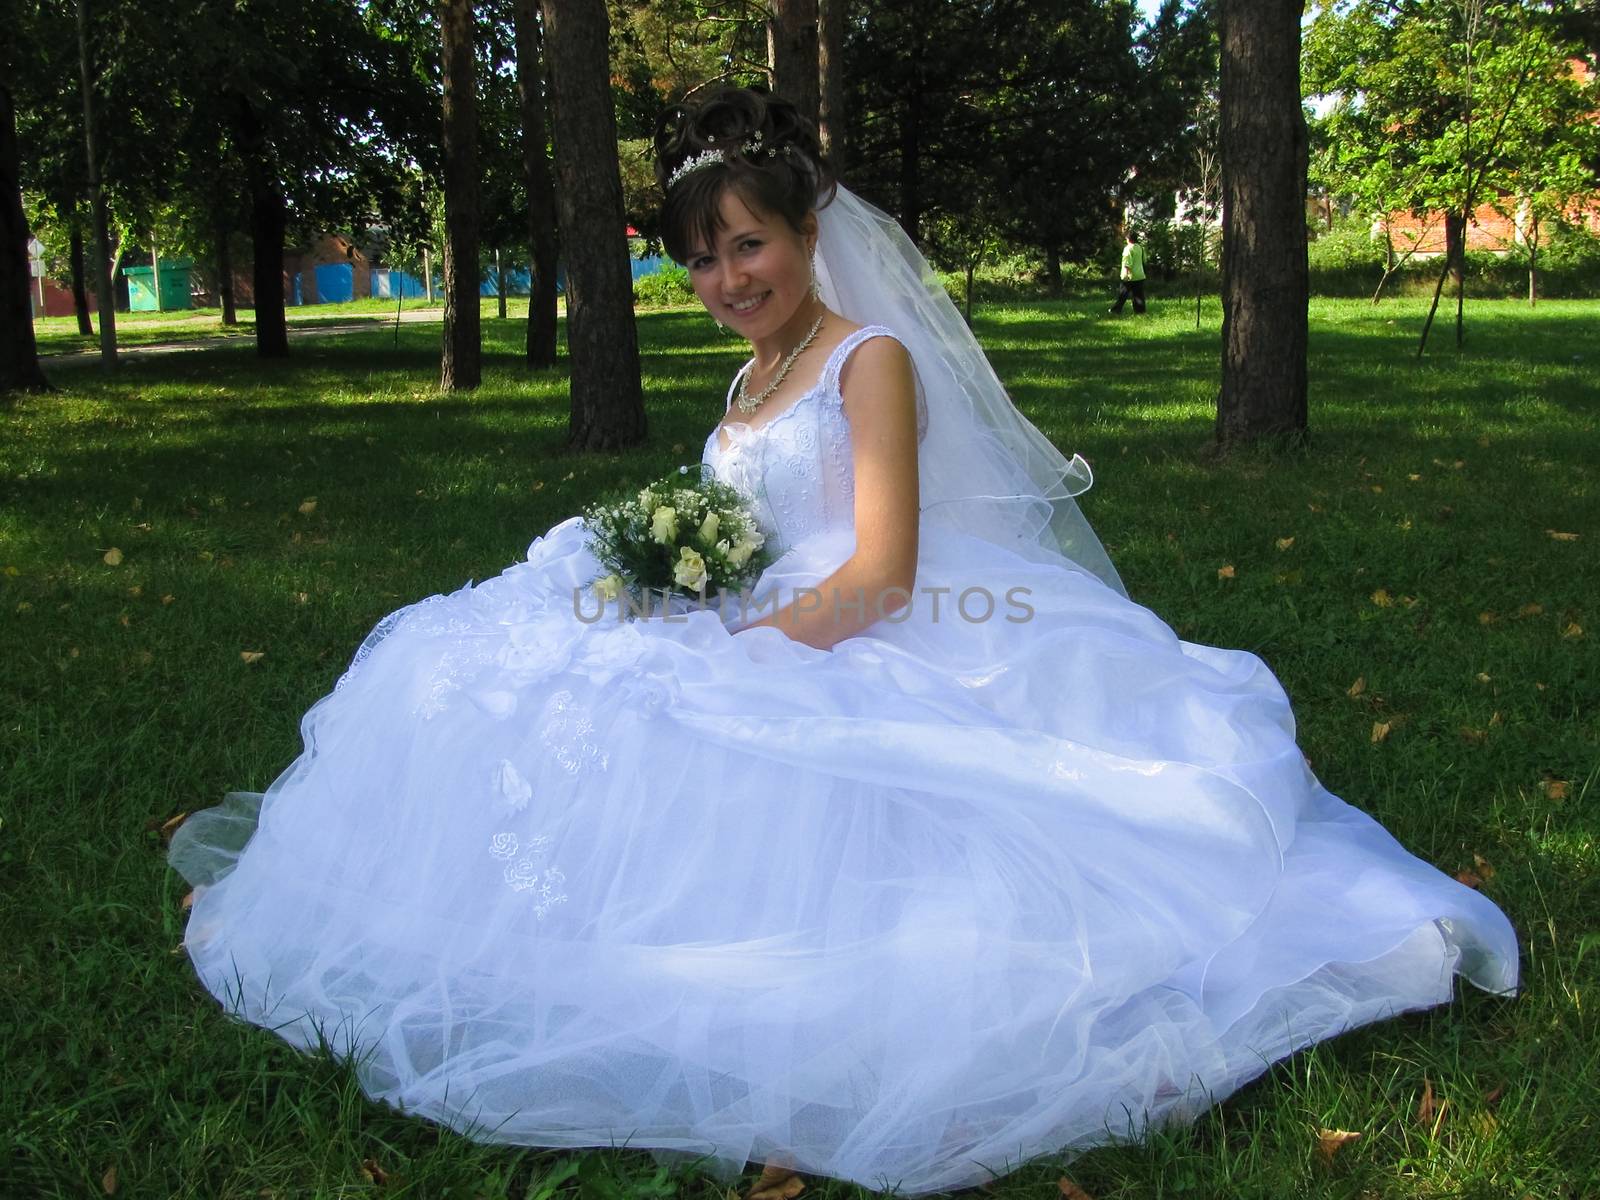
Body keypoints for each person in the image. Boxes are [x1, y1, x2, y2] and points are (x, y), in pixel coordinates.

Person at [170, 87, 1517, 1196]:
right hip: (747, 604)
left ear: (811, 231)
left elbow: (880, 570)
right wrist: (667, 575)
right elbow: (736, 515)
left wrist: (741, 644)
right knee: (479, 663)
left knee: (691, 735)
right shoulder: (751, 373)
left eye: (747, 244)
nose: (723, 279)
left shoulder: (869, 356)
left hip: (856, 628)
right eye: (699, 257)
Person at [1109, 228, 1147, 314]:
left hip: (1129, 276)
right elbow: (1144, 260)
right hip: (1140, 275)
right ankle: (1140, 312)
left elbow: (1127, 263)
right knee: (1138, 296)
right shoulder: (1140, 248)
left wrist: (1126, 274)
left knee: (1123, 295)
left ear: (1128, 239)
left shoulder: (1128, 249)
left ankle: (1115, 310)